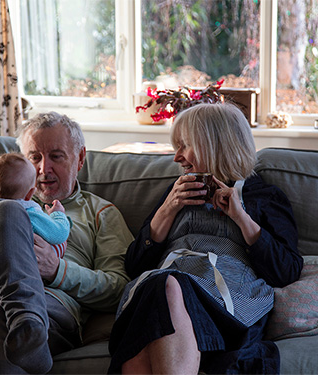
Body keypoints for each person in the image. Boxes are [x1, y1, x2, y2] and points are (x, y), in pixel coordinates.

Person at [0, 112, 133, 373]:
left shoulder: (100, 212)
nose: (43, 169)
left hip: (46, 317)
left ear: (80, 158)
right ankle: (24, 317)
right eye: (34, 158)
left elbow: (120, 289)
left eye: (56, 156)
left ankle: (24, 320)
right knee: (9, 210)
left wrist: (58, 271)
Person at [108, 103, 303, 374]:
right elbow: (135, 266)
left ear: (215, 145)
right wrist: (167, 209)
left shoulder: (263, 196)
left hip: (226, 305)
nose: (177, 157)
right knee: (159, 287)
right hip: (164, 293)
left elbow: (287, 271)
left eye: (184, 146)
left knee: (163, 288)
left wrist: (242, 219)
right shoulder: (174, 193)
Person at [0, 152, 70, 258]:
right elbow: (59, 233)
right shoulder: (30, 214)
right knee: (59, 245)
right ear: (30, 194)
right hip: (16, 270)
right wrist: (58, 214)